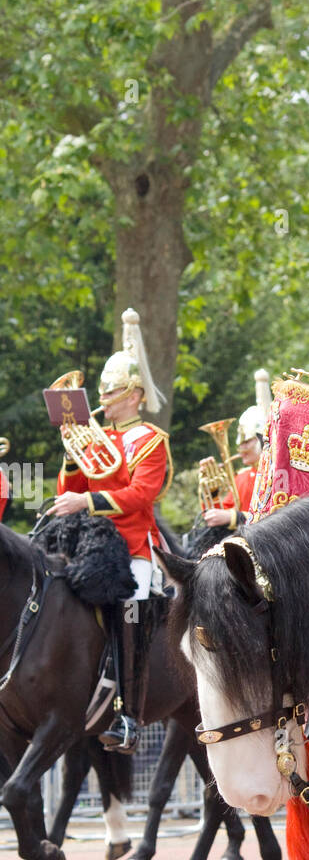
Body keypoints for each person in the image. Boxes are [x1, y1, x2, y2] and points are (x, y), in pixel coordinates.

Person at [46, 308, 172, 753]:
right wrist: (69, 450)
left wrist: (87, 501)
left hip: (134, 547)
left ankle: (129, 716)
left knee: (132, 610)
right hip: (89, 543)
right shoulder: (97, 436)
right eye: (101, 392)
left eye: (112, 392)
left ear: (135, 394)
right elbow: (72, 487)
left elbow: (141, 495)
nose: (104, 398)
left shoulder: (150, 439)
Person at [202, 406, 264, 531]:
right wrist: (212, 491)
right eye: (240, 443)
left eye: (246, 442)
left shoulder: (277, 475)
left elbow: (276, 516)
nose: (241, 449)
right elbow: (220, 514)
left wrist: (235, 517)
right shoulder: (241, 477)